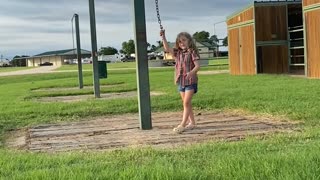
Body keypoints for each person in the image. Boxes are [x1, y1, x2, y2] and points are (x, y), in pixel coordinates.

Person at [160, 30, 200, 133]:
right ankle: (192, 123)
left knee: (186, 102)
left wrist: (192, 72)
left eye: (184, 40)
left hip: (190, 81)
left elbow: (197, 66)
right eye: (179, 41)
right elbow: (167, 48)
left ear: (189, 41)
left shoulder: (192, 52)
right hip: (181, 81)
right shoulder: (177, 53)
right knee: (186, 103)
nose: (182, 43)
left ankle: (182, 124)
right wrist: (163, 37)